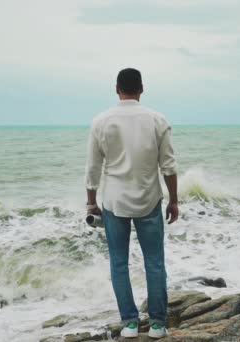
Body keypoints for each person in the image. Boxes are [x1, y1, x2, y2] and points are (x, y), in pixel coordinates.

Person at [84, 68, 178, 339]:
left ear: (117, 89)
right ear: (142, 88)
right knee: (155, 262)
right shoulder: (157, 119)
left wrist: (91, 203)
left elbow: (93, 168)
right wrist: (174, 200)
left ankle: (130, 323)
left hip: (114, 202)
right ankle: (158, 323)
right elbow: (169, 166)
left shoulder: (101, 121)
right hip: (149, 199)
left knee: (119, 263)